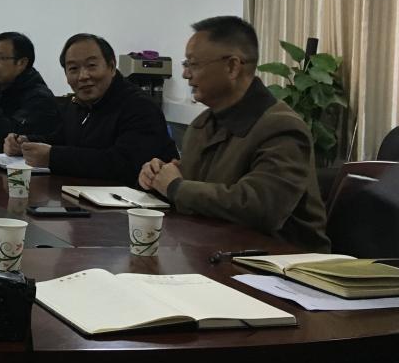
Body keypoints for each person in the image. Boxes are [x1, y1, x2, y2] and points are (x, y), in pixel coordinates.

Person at [138, 16, 329, 251]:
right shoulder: (202, 124)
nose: (186, 74)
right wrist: (158, 176)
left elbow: (260, 208)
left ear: (232, 67)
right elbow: (194, 190)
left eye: (193, 64)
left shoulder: (282, 127)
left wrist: (175, 187)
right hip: (212, 249)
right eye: (186, 64)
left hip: (280, 260)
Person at [4, 34, 177, 184]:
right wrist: (25, 143)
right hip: (83, 197)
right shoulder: (78, 104)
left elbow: (124, 164)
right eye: (73, 69)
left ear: (111, 67)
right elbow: (63, 139)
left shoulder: (140, 106)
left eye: (91, 65)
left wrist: (53, 157)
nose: (83, 76)